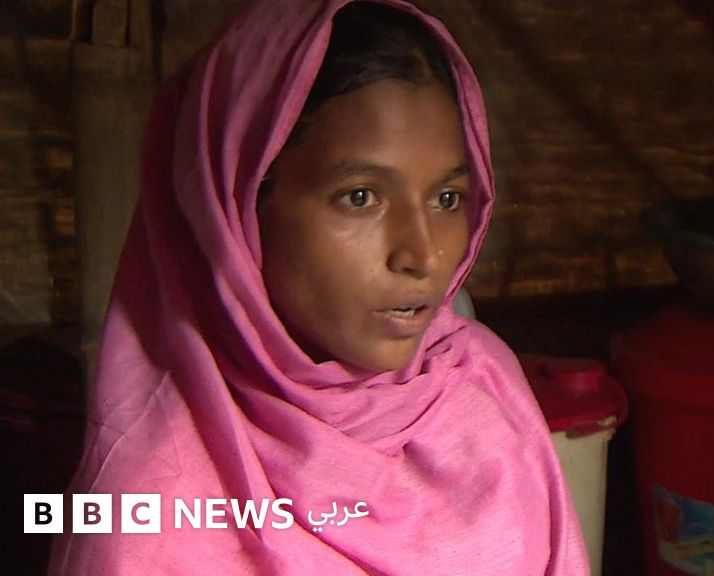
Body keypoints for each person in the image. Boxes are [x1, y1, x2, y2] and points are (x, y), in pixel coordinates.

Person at [48, 1, 588, 574]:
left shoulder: (482, 388)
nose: (423, 254)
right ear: (238, 205)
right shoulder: (150, 511)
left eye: (446, 198)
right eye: (361, 197)